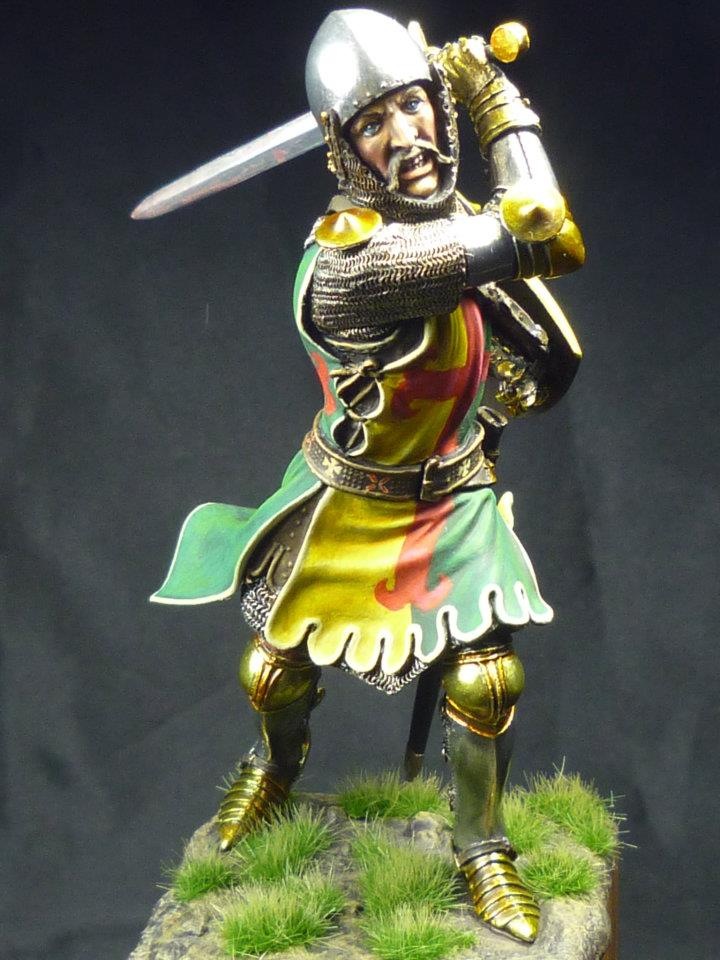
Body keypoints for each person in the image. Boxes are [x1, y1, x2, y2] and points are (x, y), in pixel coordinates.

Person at [150, 9, 584, 943]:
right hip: (348, 497)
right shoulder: (358, 264)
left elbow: (558, 257)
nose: (408, 135)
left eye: (418, 105)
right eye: (374, 122)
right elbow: (537, 219)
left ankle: (482, 848)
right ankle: (273, 771)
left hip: (453, 495)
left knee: (486, 682)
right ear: (343, 149)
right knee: (274, 669)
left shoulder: (450, 225)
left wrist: (495, 406)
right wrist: (494, 98)